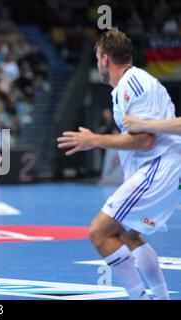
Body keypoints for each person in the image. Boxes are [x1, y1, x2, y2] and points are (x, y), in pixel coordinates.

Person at [57, 28, 181, 300]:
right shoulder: (134, 83)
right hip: (163, 169)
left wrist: (95, 140)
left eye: (97, 57)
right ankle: (161, 297)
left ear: (104, 59)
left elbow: (144, 141)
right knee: (130, 236)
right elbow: (139, 137)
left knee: (99, 233)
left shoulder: (130, 84)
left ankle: (139, 297)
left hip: (157, 168)